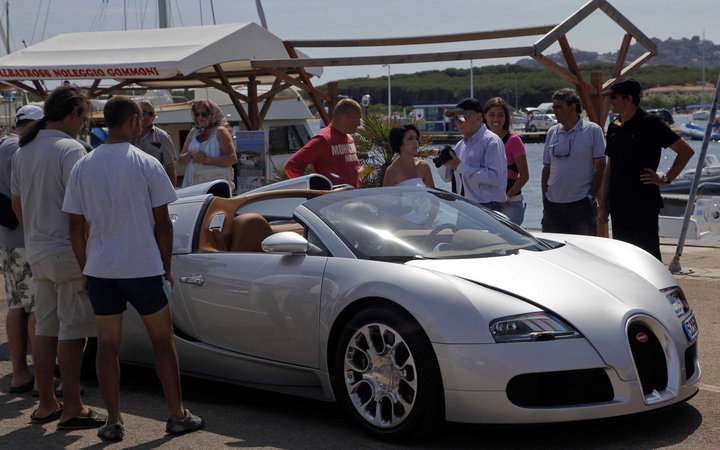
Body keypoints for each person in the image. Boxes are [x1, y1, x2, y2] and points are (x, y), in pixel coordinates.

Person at [62, 96, 204, 442]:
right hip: (142, 266)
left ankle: (113, 421)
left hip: (101, 269)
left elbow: (75, 226)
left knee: (107, 346)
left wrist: (85, 267)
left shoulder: (84, 165)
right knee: (162, 342)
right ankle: (176, 413)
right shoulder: (146, 163)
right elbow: (163, 225)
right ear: (132, 121)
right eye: (139, 119)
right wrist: (166, 267)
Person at [10, 86, 105, 428]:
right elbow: (84, 210)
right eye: (82, 116)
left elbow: (17, 204)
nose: (82, 124)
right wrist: (89, 256)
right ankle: (72, 406)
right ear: (73, 114)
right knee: (72, 329)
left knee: (47, 326)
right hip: (68, 250)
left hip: (38, 250)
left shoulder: (25, 149)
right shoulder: (71, 149)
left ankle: (47, 402)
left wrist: (37, 232)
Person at [599, 78, 694, 260]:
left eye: (614, 97)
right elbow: (609, 167)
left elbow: (685, 151)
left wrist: (666, 179)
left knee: (648, 255)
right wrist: (603, 204)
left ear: (628, 99)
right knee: (624, 257)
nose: (610, 101)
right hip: (618, 204)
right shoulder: (614, 127)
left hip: (643, 202)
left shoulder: (651, 123)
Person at [1, 105, 42, 395]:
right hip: (28, 236)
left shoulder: (2, 144)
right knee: (37, 307)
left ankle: (18, 373)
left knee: (16, 306)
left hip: (6, 238)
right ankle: (42, 380)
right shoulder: (23, 150)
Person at [541, 88, 606, 235]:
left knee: (583, 252)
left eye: (559, 107)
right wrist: (545, 197)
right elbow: (547, 168)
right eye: (554, 107)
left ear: (573, 107)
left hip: (581, 206)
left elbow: (601, 168)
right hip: (553, 206)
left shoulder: (592, 131)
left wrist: (591, 197)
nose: (555, 111)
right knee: (553, 253)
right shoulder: (552, 132)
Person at [438, 97, 506, 210]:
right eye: (455, 118)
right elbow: (447, 178)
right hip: (465, 208)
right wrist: (443, 163)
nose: (457, 122)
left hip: (488, 207)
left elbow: (494, 177)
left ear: (479, 117)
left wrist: (459, 166)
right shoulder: (460, 146)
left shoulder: (492, 142)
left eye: (462, 117)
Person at [284, 98, 363, 188]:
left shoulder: (349, 138)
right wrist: (310, 190)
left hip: (351, 199)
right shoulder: (324, 140)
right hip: (331, 200)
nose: (359, 124)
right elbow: (292, 166)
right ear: (349, 116)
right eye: (358, 118)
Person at [483, 97, 529, 225]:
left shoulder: (514, 140)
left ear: (506, 117)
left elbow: (524, 176)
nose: (496, 119)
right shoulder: (481, 141)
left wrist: (506, 197)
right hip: (486, 204)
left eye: (500, 115)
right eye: (491, 115)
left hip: (510, 204)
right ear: (485, 116)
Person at [178, 99, 237, 188]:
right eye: (197, 114)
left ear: (213, 115)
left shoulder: (221, 131)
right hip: (192, 186)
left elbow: (232, 159)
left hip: (214, 187)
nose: (200, 118)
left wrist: (207, 160)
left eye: (204, 114)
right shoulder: (193, 132)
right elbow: (181, 161)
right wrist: (191, 153)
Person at [136, 100, 178, 186]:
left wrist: (172, 192)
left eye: (150, 114)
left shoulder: (163, 137)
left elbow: (170, 167)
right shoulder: (126, 134)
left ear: (154, 117)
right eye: (143, 112)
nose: (146, 116)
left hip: (153, 185)